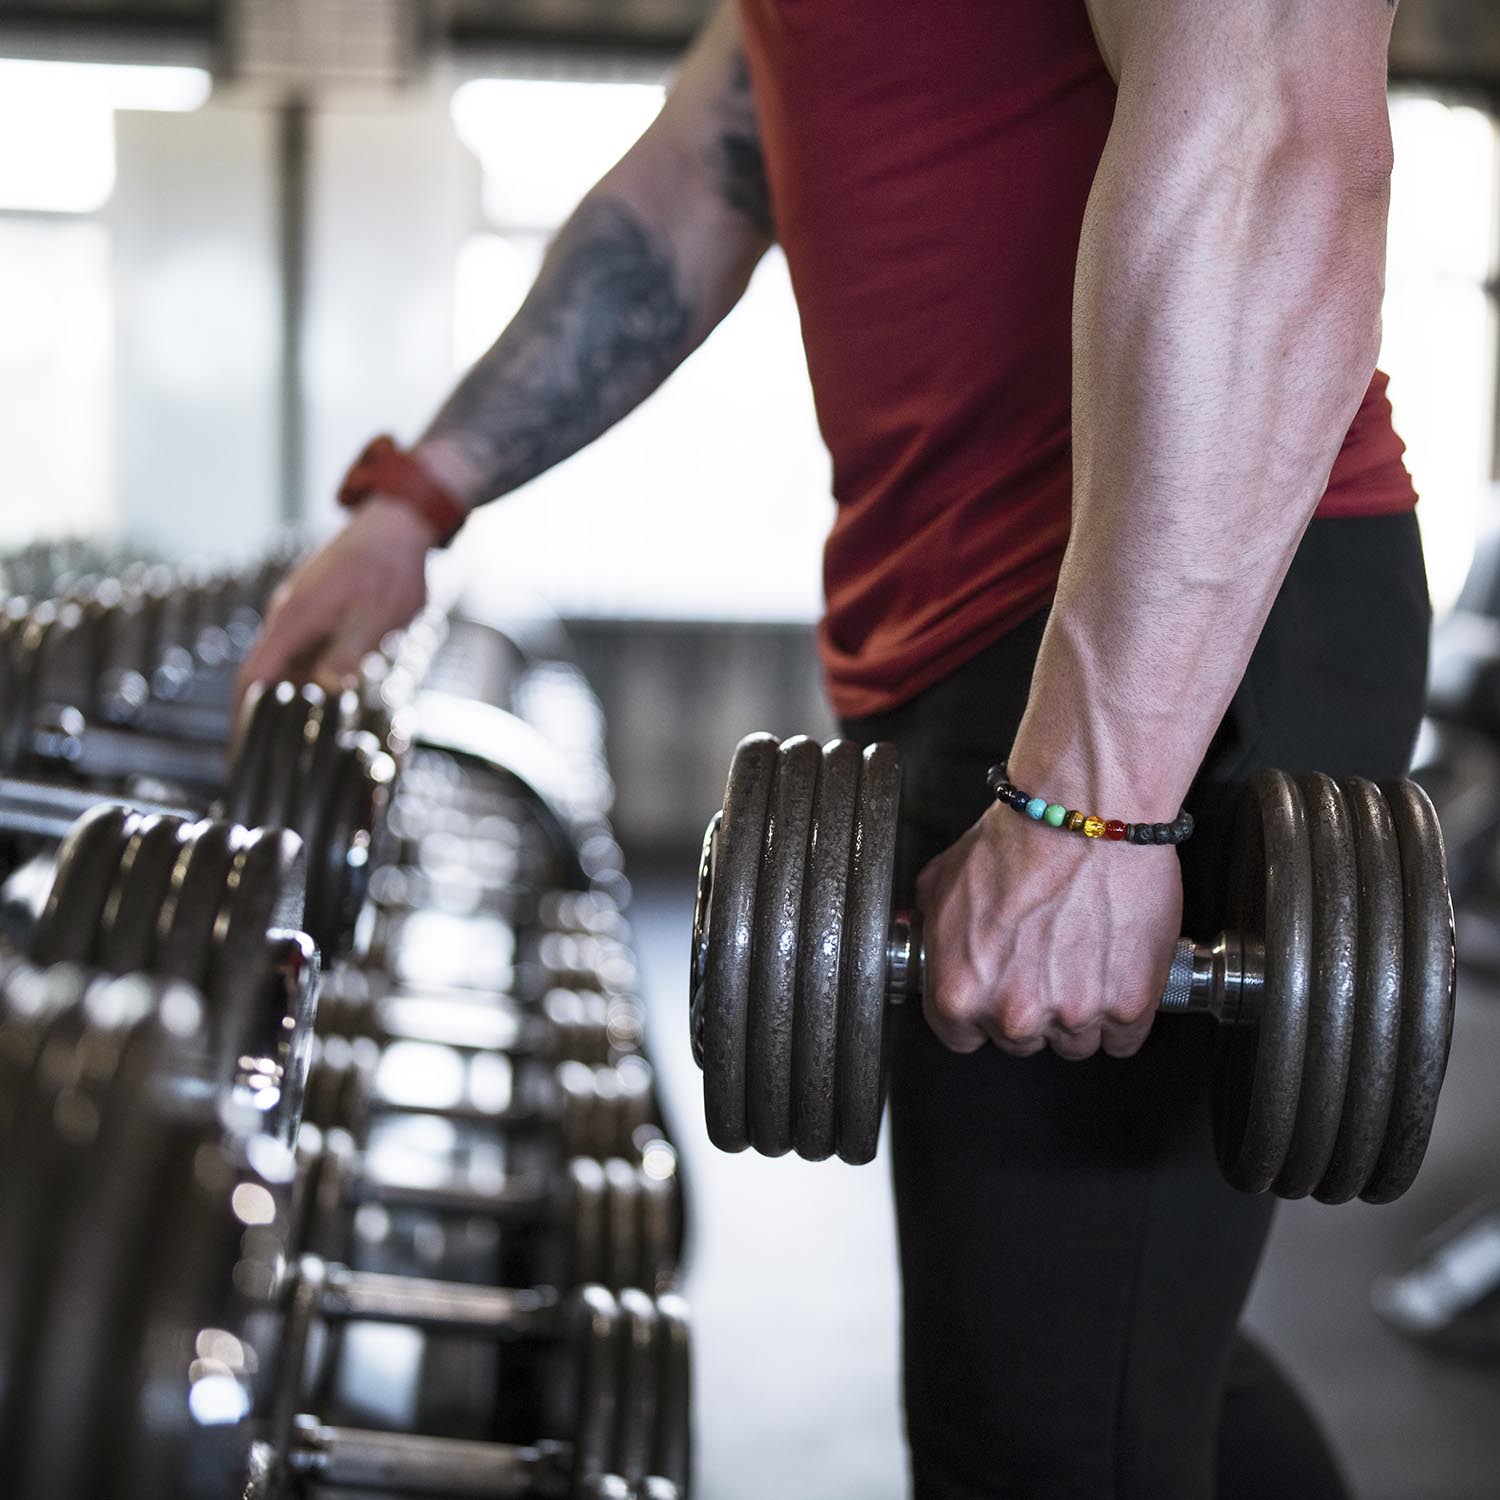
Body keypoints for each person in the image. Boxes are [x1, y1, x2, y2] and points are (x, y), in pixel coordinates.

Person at [242, 3, 1429, 1496]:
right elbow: (706, 173)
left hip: (1175, 620)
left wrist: (1096, 805)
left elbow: (1275, 141)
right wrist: (417, 498)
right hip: (989, 649)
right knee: (1108, 1333)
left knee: (1043, 1426)